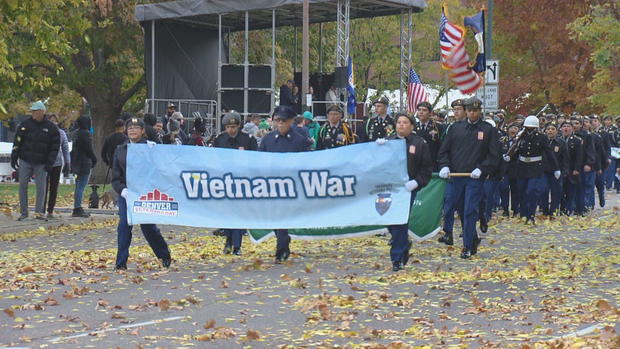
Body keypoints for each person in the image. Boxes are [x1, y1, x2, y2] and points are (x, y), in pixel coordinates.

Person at [437, 97, 500, 259]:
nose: (472, 113)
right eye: (470, 110)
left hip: (474, 177)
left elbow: (494, 155)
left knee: (470, 211)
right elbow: (444, 151)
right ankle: (471, 240)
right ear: (466, 111)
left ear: (480, 111)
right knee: (453, 208)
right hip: (456, 176)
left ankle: (466, 246)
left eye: (476, 110)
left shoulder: (488, 130)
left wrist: (482, 168)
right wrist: (444, 165)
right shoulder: (455, 128)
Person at [112, 118, 172, 270]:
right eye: (130, 127)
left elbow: (162, 168)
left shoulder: (151, 148)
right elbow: (116, 177)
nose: (132, 130)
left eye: (136, 127)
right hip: (127, 194)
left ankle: (164, 255)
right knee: (124, 225)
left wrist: (156, 150)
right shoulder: (121, 150)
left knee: (148, 227)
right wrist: (122, 190)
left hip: (145, 193)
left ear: (143, 130)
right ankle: (121, 263)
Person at [258, 105, 312, 263]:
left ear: (291, 121)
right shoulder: (268, 139)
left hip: (291, 186)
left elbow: (307, 162)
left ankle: (281, 249)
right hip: (271, 185)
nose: (280, 123)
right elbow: (260, 161)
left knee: (281, 217)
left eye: (283, 120)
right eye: (277, 120)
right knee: (274, 218)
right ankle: (283, 240)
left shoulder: (299, 140)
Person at [381, 113, 432, 271]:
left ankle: (397, 258)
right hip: (390, 188)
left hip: (408, 188)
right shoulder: (389, 142)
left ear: (412, 126)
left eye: (405, 122)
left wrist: (416, 182)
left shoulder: (419, 143)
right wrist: (377, 149)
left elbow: (426, 169)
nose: (401, 125)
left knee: (400, 221)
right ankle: (403, 243)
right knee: (389, 220)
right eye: (399, 122)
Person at [212, 112, 258, 255]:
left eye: (233, 126)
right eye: (228, 127)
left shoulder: (248, 140)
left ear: (239, 126)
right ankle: (228, 241)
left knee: (238, 214)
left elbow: (255, 161)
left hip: (241, 181)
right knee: (226, 213)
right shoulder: (220, 139)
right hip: (224, 181)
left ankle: (237, 246)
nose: (231, 130)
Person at [11, 101, 60, 221]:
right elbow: (17, 140)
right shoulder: (25, 124)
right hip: (25, 160)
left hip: (41, 162)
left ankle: (39, 213)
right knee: (22, 185)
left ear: (42, 112)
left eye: (35, 111)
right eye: (32, 111)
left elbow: (55, 147)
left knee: (41, 188)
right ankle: (24, 212)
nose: (32, 113)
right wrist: (14, 155)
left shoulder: (51, 128)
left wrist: (50, 163)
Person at [509, 115, 559, 224]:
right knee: (521, 192)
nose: (529, 129)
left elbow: (549, 153)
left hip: (535, 168)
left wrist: (556, 168)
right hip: (522, 167)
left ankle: (531, 214)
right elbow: (515, 150)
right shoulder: (521, 137)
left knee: (531, 191)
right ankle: (523, 214)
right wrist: (509, 156)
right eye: (527, 127)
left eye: (531, 128)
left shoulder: (541, 137)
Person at [438, 99, 467, 246]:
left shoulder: (473, 127)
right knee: (448, 205)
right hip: (453, 173)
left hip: (468, 174)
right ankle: (448, 233)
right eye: (454, 109)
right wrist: (444, 165)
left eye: (459, 109)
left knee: (465, 207)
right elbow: (445, 149)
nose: (456, 112)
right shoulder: (451, 128)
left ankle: (468, 232)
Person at [70, 116, 98, 218]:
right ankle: (77, 208)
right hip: (84, 162)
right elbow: (88, 149)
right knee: (81, 185)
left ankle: (77, 206)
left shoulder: (76, 134)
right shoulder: (86, 134)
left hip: (76, 162)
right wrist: (94, 159)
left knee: (78, 185)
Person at [540, 123, 569, 217]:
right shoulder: (541, 142)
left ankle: (553, 211)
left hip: (556, 171)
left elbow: (565, 158)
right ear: (545, 131)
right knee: (543, 190)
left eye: (553, 129)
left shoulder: (561, 142)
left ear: (557, 131)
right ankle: (545, 210)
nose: (550, 131)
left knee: (556, 192)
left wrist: (564, 171)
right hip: (544, 171)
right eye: (548, 129)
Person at [46, 114, 71, 219]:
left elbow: (65, 148)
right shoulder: (44, 132)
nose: (53, 122)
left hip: (57, 163)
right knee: (43, 187)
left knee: (54, 188)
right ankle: (41, 210)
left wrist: (67, 163)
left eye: (54, 121)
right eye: (51, 120)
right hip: (44, 163)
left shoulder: (61, 133)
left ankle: (50, 210)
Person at [415, 101, 445, 171]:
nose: (421, 112)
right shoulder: (412, 127)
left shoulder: (438, 127)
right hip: (416, 165)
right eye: (419, 110)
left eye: (424, 110)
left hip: (433, 164)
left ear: (430, 113)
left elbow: (442, 147)